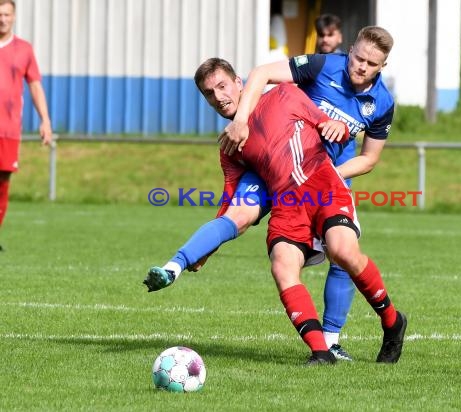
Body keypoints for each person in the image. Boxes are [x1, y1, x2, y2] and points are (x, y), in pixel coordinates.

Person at [147, 26, 396, 361]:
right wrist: (208, 247)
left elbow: (366, 156)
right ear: (349, 51)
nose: (362, 66)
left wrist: (328, 142)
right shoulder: (319, 68)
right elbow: (263, 74)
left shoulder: (365, 101)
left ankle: (338, 338)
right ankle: (175, 266)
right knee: (245, 220)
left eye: (371, 62)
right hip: (275, 184)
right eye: (210, 93)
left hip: (325, 176)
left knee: (344, 253)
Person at [0, 0, 52, 251]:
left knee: (3, 180)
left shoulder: (24, 49)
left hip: (8, 128)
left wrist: (45, 120)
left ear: (13, 17)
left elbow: (34, 85)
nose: (2, 19)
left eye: (6, 14)